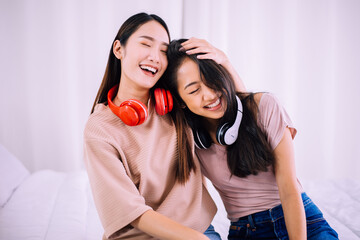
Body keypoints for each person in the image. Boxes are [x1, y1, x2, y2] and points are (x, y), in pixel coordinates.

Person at [83, 13, 245, 240]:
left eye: (163, 50)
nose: (155, 57)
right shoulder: (100, 128)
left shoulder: (179, 104)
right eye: (146, 44)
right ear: (118, 49)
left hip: (197, 231)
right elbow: (132, 212)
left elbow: (238, 121)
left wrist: (224, 62)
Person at [160, 38, 339, 239]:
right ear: (180, 102)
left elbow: (289, 189)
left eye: (212, 80)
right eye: (194, 90)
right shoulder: (188, 140)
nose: (210, 95)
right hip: (247, 231)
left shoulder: (265, 107)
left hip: (303, 222)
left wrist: (226, 62)